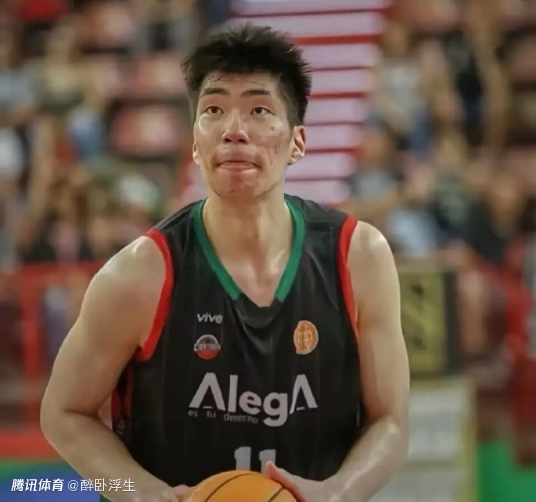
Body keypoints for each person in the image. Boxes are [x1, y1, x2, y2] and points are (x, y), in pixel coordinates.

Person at [40, 24, 410, 502]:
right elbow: (64, 413)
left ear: (297, 142)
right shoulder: (140, 274)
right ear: (196, 144)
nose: (234, 130)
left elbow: (391, 421)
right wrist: (138, 491)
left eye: (259, 110)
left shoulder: (358, 258)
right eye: (213, 110)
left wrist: (338, 493)